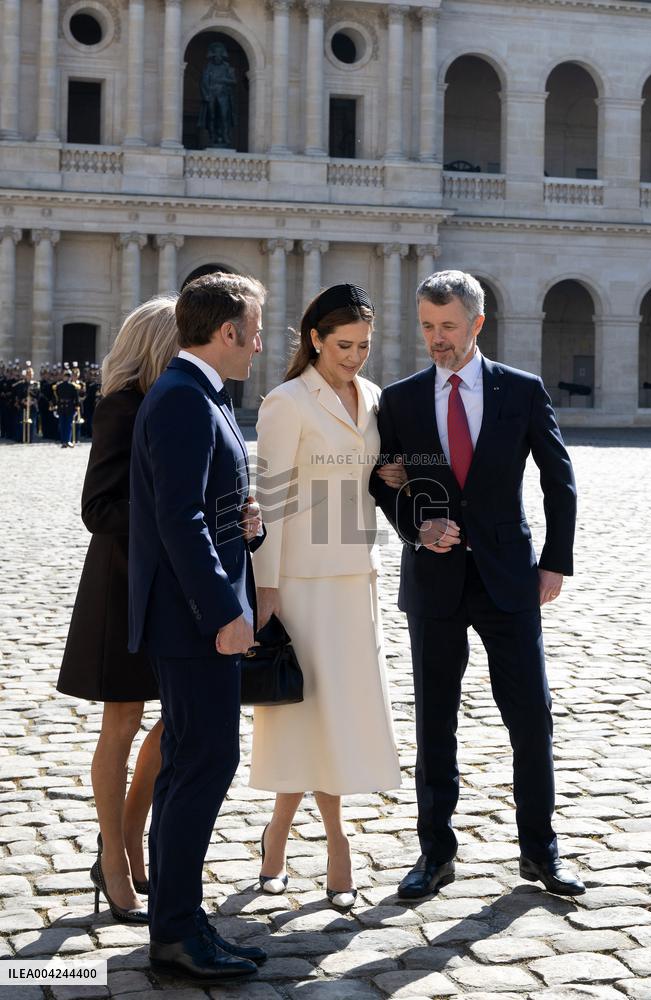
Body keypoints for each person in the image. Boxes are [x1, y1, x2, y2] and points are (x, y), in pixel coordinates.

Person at [370, 270, 585, 900]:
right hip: (433, 582)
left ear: (477, 325)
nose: (437, 340)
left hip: (509, 578)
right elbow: (385, 480)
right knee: (436, 720)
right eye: (429, 328)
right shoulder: (402, 399)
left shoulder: (521, 391)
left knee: (531, 717)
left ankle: (541, 851)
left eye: (449, 328)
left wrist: (555, 562)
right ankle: (434, 853)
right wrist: (416, 527)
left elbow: (559, 478)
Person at [128, 272, 268, 983]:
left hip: (192, 618)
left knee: (189, 764)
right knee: (202, 764)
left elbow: (200, 506)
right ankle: (176, 931)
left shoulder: (200, 394)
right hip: (194, 623)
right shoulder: (184, 398)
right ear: (226, 333)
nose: (261, 341)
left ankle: (178, 917)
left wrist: (247, 522)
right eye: (256, 327)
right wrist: (225, 613)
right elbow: (177, 520)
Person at [250, 284, 406, 911]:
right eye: (344, 345)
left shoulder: (372, 398)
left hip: (355, 577)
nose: (355, 357)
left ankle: (276, 838)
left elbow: (355, 474)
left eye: (365, 346)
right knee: (305, 714)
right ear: (315, 339)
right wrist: (265, 590)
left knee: (332, 716)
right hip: (300, 584)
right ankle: (337, 846)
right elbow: (273, 501)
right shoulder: (285, 403)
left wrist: (380, 475)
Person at [58, 297, 182, 924]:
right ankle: (113, 856)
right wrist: (174, 524)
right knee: (124, 720)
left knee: (178, 717)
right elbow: (98, 509)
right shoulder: (121, 407)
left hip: (176, 587)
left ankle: (132, 835)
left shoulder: (181, 401)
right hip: (123, 583)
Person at [53, 369, 80, 447]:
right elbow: (56, 398)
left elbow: (76, 398)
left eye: (68, 376)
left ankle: (67, 440)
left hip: (69, 407)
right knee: (62, 425)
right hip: (62, 407)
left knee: (68, 425)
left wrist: (76, 408)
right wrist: (55, 407)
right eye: (65, 376)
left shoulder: (72, 386)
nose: (66, 378)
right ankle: (63, 441)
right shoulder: (58, 386)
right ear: (63, 377)